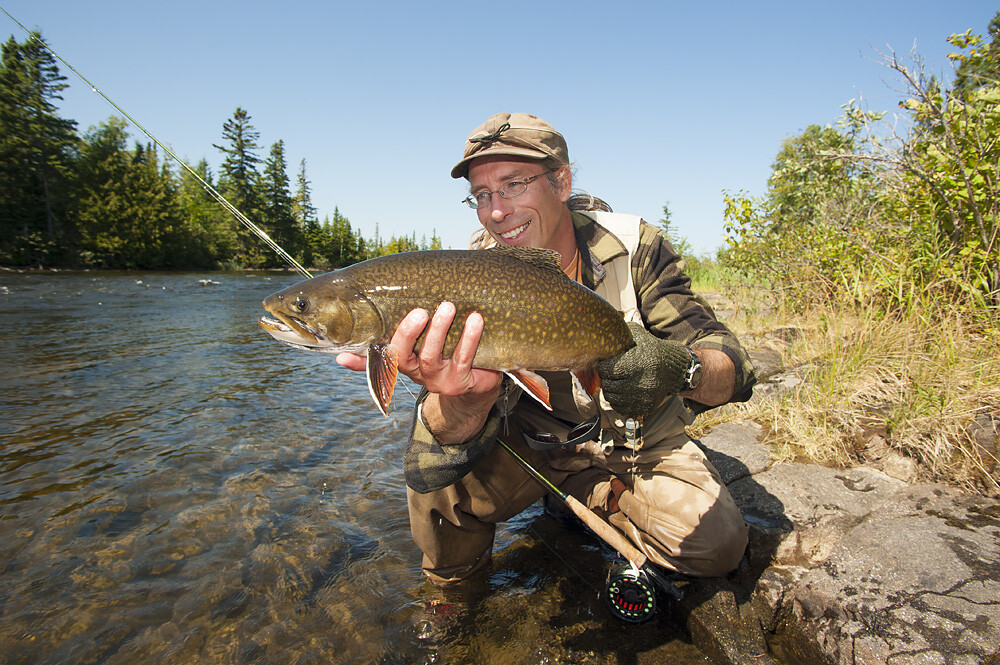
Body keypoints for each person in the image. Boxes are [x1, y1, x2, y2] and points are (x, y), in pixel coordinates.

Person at [338, 112, 756, 585]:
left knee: (716, 546)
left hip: (634, 437)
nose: (496, 211)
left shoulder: (634, 245)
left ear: (561, 182)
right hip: (533, 442)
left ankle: (587, 493)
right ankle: (451, 599)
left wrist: (683, 370)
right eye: (481, 195)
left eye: (513, 184)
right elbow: (425, 467)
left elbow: (735, 369)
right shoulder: (469, 275)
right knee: (443, 484)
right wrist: (467, 398)